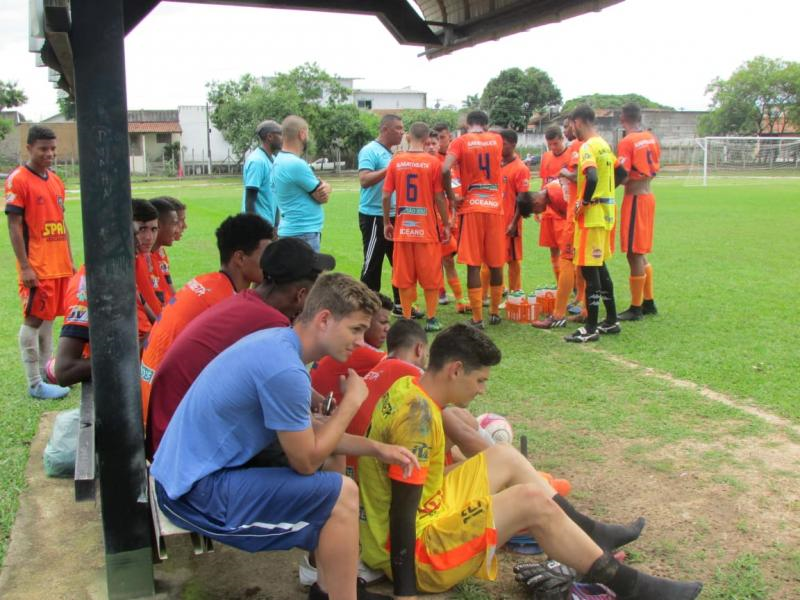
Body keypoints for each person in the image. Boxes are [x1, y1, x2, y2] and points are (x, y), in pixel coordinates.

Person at [357, 323, 702, 599]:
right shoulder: (418, 420)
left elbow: (405, 488)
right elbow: (402, 515)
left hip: (420, 516)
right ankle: (631, 587)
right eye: (480, 381)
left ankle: (593, 534)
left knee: (505, 457)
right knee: (530, 502)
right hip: (416, 553)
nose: (482, 391)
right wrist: (405, 592)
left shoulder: (409, 386)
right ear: (456, 370)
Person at [151, 273, 417, 600]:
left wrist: (380, 449)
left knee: (336, 475)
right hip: (194, 493)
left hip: (183, 475)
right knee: (342, 494)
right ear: (324, 319)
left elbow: (316, 435)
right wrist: (351, 402)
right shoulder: (285, 370)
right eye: (356, 329)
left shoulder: (279, 344)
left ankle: (333, 590)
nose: (361, 341)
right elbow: (306, 461)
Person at [146, 237, 334, 460]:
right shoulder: (271, 326)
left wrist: (320, 403)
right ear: (301, 294)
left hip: (171, 431)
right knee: (321, 452)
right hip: (181, 448)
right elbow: (284, 394)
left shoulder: (248, 302)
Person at [140, 214, 275, 424]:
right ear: (240, 258)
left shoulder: (208, 283)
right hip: (166, 417)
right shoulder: (225, 305)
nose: (270, 263)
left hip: (151, 401)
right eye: (266, 255)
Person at [5, 125, 74, 399]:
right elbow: (14, 225)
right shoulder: (18, 180)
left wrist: (69, 260)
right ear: (29, 148)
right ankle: (35, 383)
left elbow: (61, 221)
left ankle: (48, 373)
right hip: (38, 265)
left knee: (48, 320)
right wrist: (25, 266)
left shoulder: (56, 180)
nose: (50, 154)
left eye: (53, 148)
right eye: (44, 149)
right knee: (33, 320)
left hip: (58, 265)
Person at [383, 122, 450, 331]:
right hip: (427, 231)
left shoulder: (396, 161)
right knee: (431, 276)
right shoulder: (432, 163)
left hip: (403, 231)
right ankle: (431, 318)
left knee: (403, 276)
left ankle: (407, 317)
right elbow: (439, 197)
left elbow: (385, 195)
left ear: (409, 137)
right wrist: (446, 223)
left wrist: (387, 221)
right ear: (425, 138)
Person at [442, 110, 505, 328]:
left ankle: (478, 318)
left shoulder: (460, 142)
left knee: (473, 264)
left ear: (468, 124)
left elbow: (444, 169)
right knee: (496, 263)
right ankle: (495, 312)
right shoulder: (497, 139)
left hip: (472, 207)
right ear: (486, 125)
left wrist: (451, 197)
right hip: (495, 207)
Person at [565, 105, 621, 343]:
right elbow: (623, 173)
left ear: (578, 122)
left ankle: (590, 328)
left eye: (570, 125)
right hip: (607, 213)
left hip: (593, 217)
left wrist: (585, 201)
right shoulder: (604, 144)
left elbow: (592, 176)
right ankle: (611, 320)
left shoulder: (588, 146)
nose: (571, 130)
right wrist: (603, 195)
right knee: (600, 267)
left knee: (590, 270)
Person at [357, 114, 408, 316]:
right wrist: (391, 168)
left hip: (396, 216)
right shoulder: (370, 150)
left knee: (400, 262)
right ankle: (365, 308)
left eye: (403, 128)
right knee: (373, 264)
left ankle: (399, 304)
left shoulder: (393, 152)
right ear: (385, 129)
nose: (402, 132)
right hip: (375, 216)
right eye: (398, 128)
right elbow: (364, 180)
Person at [615, 103, 661, 321]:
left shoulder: (627, 141)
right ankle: (648, 301)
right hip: (648, 196)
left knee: (633, 252)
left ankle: (636, 307)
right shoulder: (651, 138)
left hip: (634, 199)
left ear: (623, 118)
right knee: (641, 251)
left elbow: (622, 175)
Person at [310, 293, 393, 405]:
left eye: (389, 323)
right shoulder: (365, 353)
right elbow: (408, 369)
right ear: (366, 322)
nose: (387, 329)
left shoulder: (338, 339)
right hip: (327, 416)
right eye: (383, 322)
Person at [481, 129, 531, 301]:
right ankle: (484, 295)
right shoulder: (495, 164)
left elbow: (523, 200)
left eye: (504, 144)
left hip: (510, 223)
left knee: (512, 260)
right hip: (493, 221)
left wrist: (514, 223)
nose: (500, 147)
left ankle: (515, 294)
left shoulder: (520, 168)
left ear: (513, 144)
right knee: (488, 259)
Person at [273, 115, 331, 251]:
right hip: (303, 233)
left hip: (291, 231)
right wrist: (328, 187)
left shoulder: (279, 160)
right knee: (307, 273)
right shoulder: (296, 164)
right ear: (302, 134)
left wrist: (325, 187)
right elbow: (321, 196)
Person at [432, 123, 466, 312]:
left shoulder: (458, 159)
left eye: (443, 138)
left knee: (466, 257)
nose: (440, 142)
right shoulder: (435, 162)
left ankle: (481, 293)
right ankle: (452, 296)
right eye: (437, 139)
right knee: (445, 259)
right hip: (443, 217)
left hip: (460, 215)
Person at [539, 125, 572, 283]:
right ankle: (560, 283)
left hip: (563, 211)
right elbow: (544, 181)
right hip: (548, 210)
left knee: (566, 250)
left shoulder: (571, 155)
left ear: (562, 139)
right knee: (552, 250)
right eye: (550, 144)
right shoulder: (546, 156)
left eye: (555, 144)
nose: (553, 147)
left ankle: (571, 284)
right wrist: (540, 209)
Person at [132, 199, 163, 343]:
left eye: (154, 229)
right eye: (142, 229)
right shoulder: (123, 267)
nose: (149, 237)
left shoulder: (142, 259)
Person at [242, 119, 282, 225]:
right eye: (280, 135)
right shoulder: (257, 162)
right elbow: (250, 200)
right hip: (258, 229)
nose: (283, 139)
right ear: (270, 137)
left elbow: (275, 196)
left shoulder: (273, 159)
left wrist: (276, 225)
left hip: (269, 226)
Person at [149, 197, 179, 302]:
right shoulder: (141, 260)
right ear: (158, 225)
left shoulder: (157, 254)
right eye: (174, 224)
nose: (177, 230)